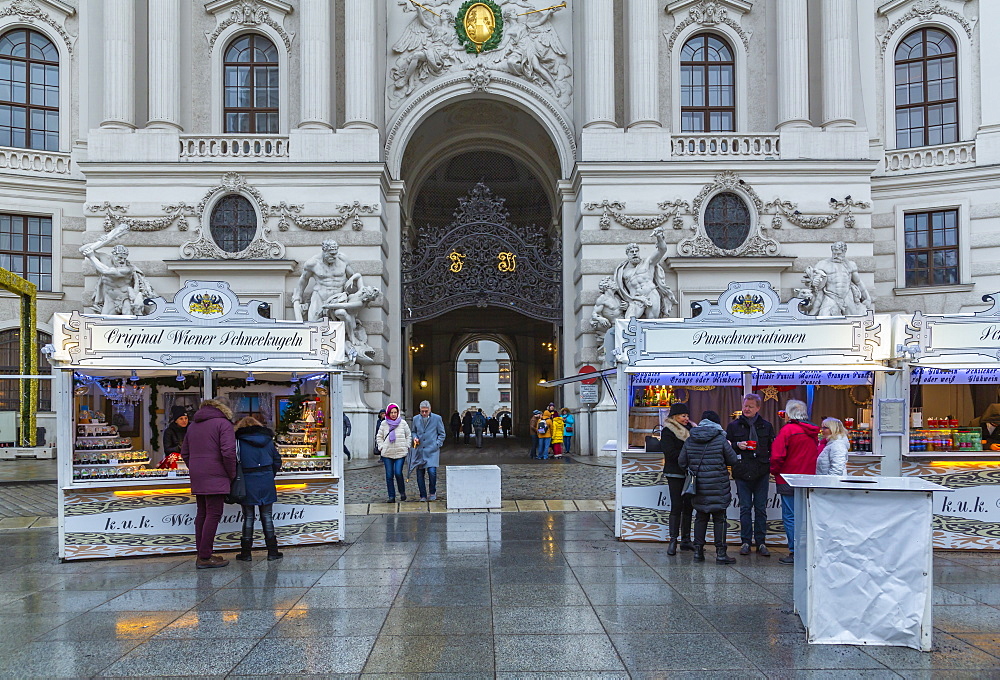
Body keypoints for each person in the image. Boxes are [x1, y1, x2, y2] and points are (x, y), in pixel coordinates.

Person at [181, 399, 237, 569]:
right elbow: (228, 452)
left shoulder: (192, 426)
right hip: (216, 473)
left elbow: (185, 453)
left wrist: (197, 468)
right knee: (213, 513)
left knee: (202, 513)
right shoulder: (223, 424)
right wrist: (231, 473)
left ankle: (202, 553)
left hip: (199, 474)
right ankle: (205, 557)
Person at [679, 410, 739, 564]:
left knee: (700, 517)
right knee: (720, 519)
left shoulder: (690, 439)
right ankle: (720, 554)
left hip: (698, 486)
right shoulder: (721, 440)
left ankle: (698, 552)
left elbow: (681, 462)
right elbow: (732, 460)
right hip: (718, 485)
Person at [770, 399, 821, 565]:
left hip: (788, 479)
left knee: (791, 516)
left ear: (789, 413)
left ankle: (795, 551)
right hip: (808, 479)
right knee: (805, 516)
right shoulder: (813, 432)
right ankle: (807, 550)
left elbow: (777, 456)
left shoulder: (788, 430)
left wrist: (774, 471)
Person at [726, 394, 775, 557]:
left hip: (761, 470)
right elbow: (726, 446)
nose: (746, 409)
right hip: (742, 470)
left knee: (760, 508)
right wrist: (737, 445)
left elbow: (772, 448)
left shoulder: (766, 426)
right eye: (745, 406)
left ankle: (761, 542)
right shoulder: (733, 426)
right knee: (745, 508)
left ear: (758, 408)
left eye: (750, 407)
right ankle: (745, 541)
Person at [233, 416, 283, 562]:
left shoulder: (238, 441)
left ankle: (246, 553)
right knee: (267, 516)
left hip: (247, 480)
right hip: (266, 479)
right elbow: (277, 460)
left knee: (248, 517)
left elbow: (234, 462)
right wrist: (269, 474)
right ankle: (273, 551)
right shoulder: (268, 440)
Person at [659, 402, 694, 555]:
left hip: (689, 473)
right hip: (675, 473)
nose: (686, 418)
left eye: (687, 415)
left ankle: (686, 539)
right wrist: (686, 455)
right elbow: (669, 452)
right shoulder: (668, 431)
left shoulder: (692, 430)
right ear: (675, 416)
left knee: (689, 506)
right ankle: (673, 539)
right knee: (676, 506)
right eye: (683, 415)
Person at [411, 400, 446, 501]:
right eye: (422, 411)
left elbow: (442, 434)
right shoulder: (415, 419)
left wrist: (437, 444)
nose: (424, 413)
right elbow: (413, 431)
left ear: (430, 410)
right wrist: (415, 438)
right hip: (420, 451)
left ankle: (432, 491)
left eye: (426, 411)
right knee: (420, 473)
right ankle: (422, 495)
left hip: (432, 450)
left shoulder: (437, 418)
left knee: (432, 472)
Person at [376, 403, 410, 502]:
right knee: (389, 475)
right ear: (388, 413)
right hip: (387, 453)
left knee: (398, 472)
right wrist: (381, 447)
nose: (393, 414)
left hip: (400, 452)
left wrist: (407, 446)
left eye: (395, 412)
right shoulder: (384, 424)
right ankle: (392, 496)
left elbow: (408, 435)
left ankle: (402, 491)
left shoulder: (403, 423)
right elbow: (379, 437)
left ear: (398, 412)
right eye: (391, 412)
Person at [160, 405, 188, 469]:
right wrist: (180, 447)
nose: (184, 421)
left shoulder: (191, 429)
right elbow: (167, 450)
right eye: (181, 418)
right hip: (175, 461)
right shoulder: (169, 431)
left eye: (186, 418)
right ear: (176, 420)